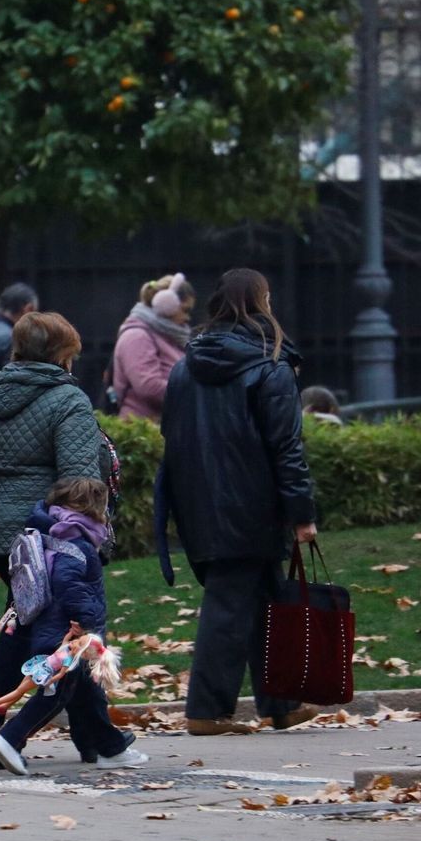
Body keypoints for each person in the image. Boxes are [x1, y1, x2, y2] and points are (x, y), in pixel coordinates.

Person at [0, 311, 120, 767]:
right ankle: (91, 742)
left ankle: (94, 740)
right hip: (52, 537)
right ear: (62, 354)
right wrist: (85, 536)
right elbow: (81, 481)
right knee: (72, 635)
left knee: (31, 635)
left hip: (1, 538)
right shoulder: (68, 401)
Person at [157, 268, 320, 736]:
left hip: (200, 500)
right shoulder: (269, 366)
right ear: (262, 302)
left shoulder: (186, 366)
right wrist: (302, 514)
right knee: (230, 606)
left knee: (263, 598)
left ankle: (282, 704)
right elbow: (285, 446)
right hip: (253, 504)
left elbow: (173, 435)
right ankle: (206, 711)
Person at [0, 479, 146, 774]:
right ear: (94, 508)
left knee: (87, 692)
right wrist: (86, 620)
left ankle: (111, 748)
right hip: (68, 636)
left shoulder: (54, 535)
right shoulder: (75, 542)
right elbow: (68, 583)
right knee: (54, 695)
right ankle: (9, 738)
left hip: (55, 631)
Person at [111, 273, 195, 420]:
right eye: (185, 310)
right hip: (142, 432)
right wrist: (196, 395)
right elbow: (149, 387)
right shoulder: (137, 336)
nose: (188, 318)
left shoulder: (166, 336)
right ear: (167, 305)